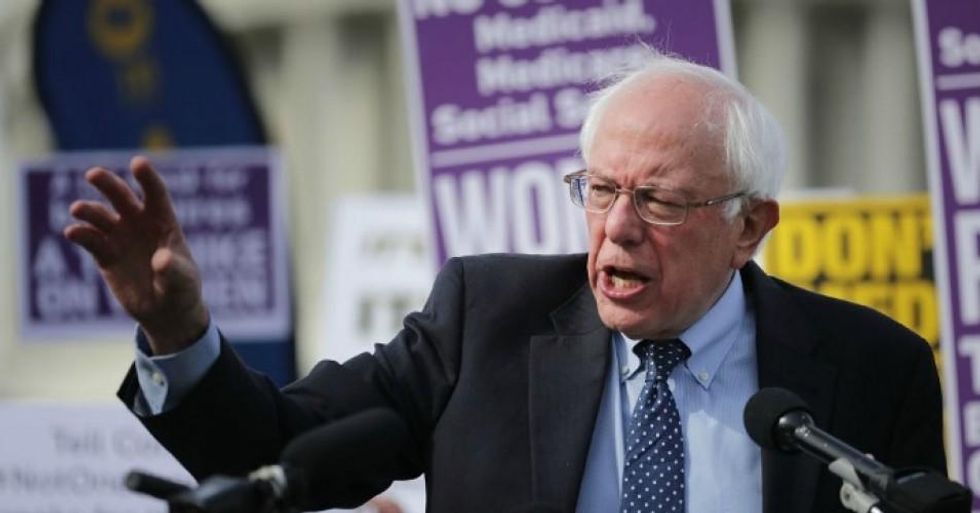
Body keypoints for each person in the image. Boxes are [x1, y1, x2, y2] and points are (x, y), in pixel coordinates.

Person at [65, 53, 945, 513]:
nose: (618, 227)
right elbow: (274, 450)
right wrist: (179, 334)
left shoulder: (874, 368)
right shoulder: (484, 321)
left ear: (749, 226)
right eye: (599, 190)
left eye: (660, 201)